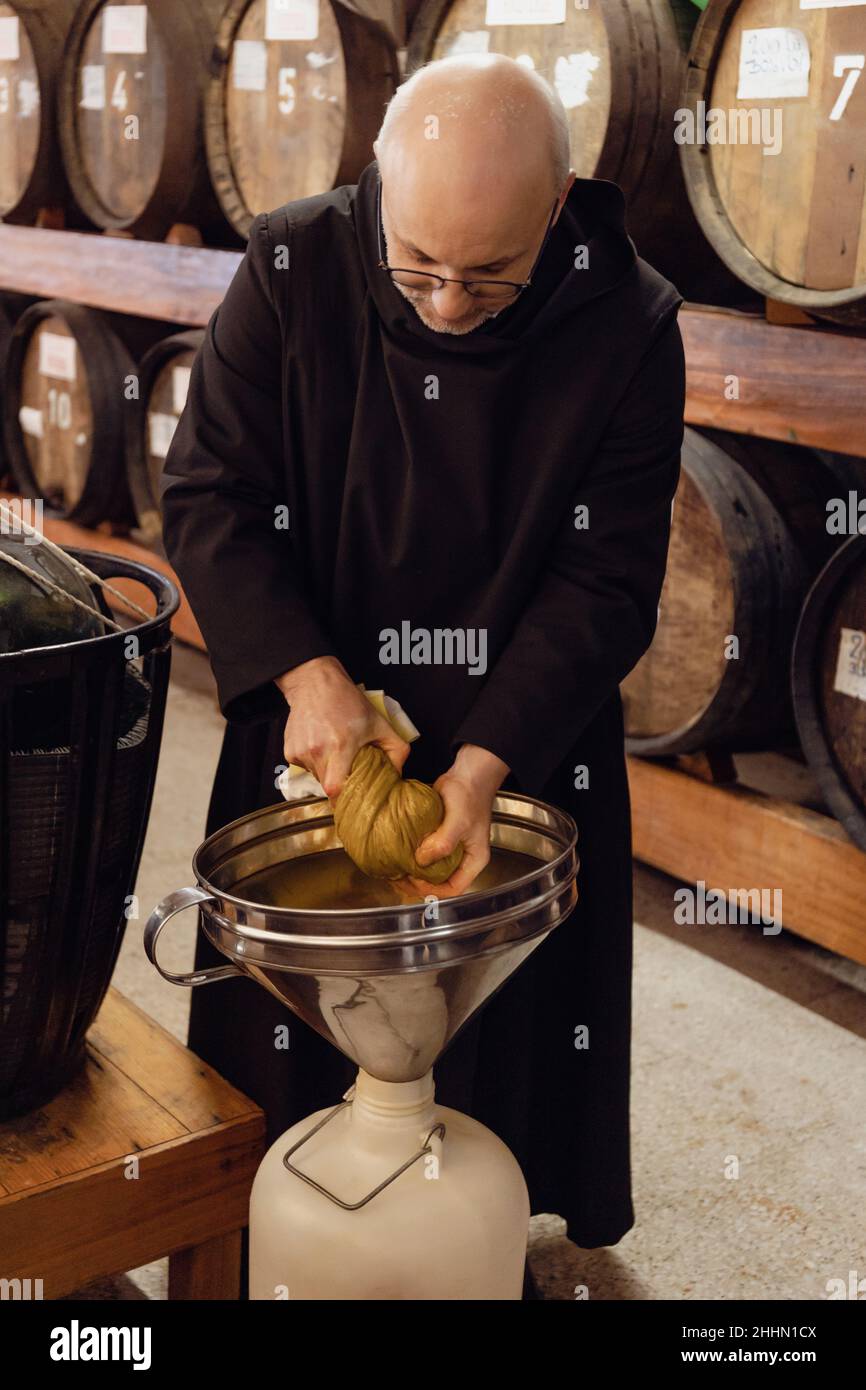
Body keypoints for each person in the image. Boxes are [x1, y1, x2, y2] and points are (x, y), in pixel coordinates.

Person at [160, 53, 686, 1269]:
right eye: (417, 268)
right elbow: (208, 494)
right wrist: (304, 675)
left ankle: (477, 1240)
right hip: (321, 730)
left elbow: (605, 581)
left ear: (556, 203)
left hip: (524, 728)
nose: (446, 303)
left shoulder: (628, 320)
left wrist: (484, 763)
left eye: (488, 276)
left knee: (498, 1059)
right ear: (376, 190)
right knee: (283, 1072)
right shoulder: (292, 267)